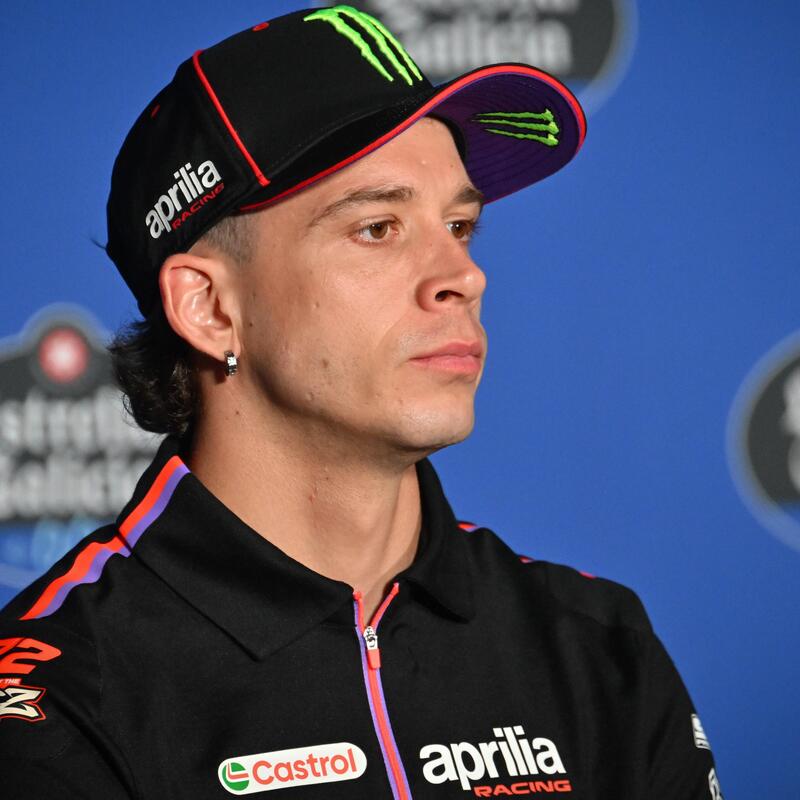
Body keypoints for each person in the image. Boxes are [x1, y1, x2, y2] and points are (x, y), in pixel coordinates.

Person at [0, 5, 723, 799]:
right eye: (378, 227)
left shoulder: (598, 647)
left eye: (460, 225)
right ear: (208, 308)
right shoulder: (61, 695)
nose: (463, 275)